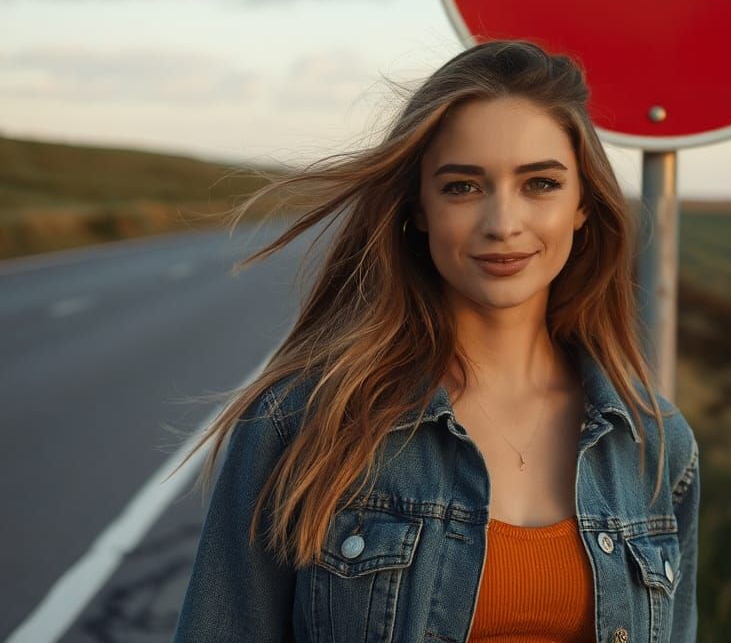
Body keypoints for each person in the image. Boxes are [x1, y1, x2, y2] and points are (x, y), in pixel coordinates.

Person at [171, 38, 699, 643]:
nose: (504, 224)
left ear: (583, 204)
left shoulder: (656, 445)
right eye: (463, 187)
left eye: (540, 184)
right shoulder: (303, 422)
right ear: (417, 209)